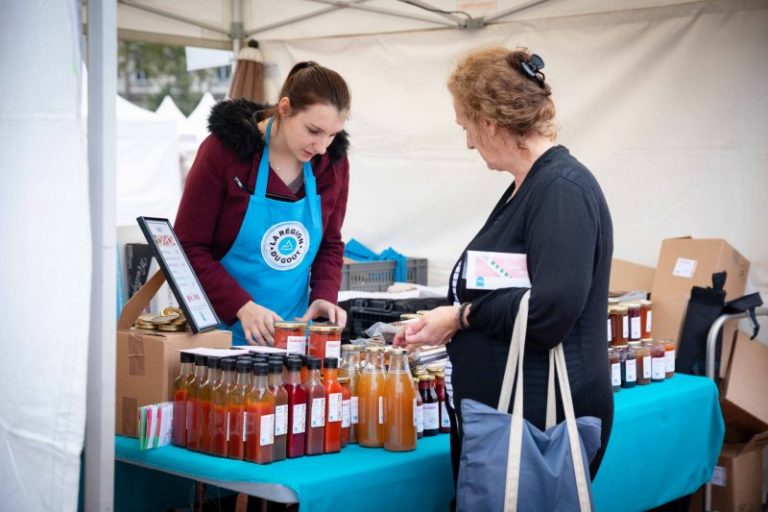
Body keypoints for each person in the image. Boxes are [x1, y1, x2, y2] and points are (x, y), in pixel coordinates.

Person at [394, 47, 614, 484]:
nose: (469, 142)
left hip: (537, 427)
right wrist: (449, 319)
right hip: (509, 422)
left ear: (489, 122)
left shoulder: (561, 191)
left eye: (467, 127)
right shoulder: (529, 186)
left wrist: (462, 316)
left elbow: (549, 311)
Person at [175, 61, 351, 346]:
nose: (321, 147)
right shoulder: (223, 152)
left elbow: (330, 244)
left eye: (332, 135)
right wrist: (241, 306)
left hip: (291, 335)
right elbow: (187, 247)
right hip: (219, 334)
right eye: (313, 130)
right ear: (284, 108)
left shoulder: (332, 165)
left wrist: (323, 295)